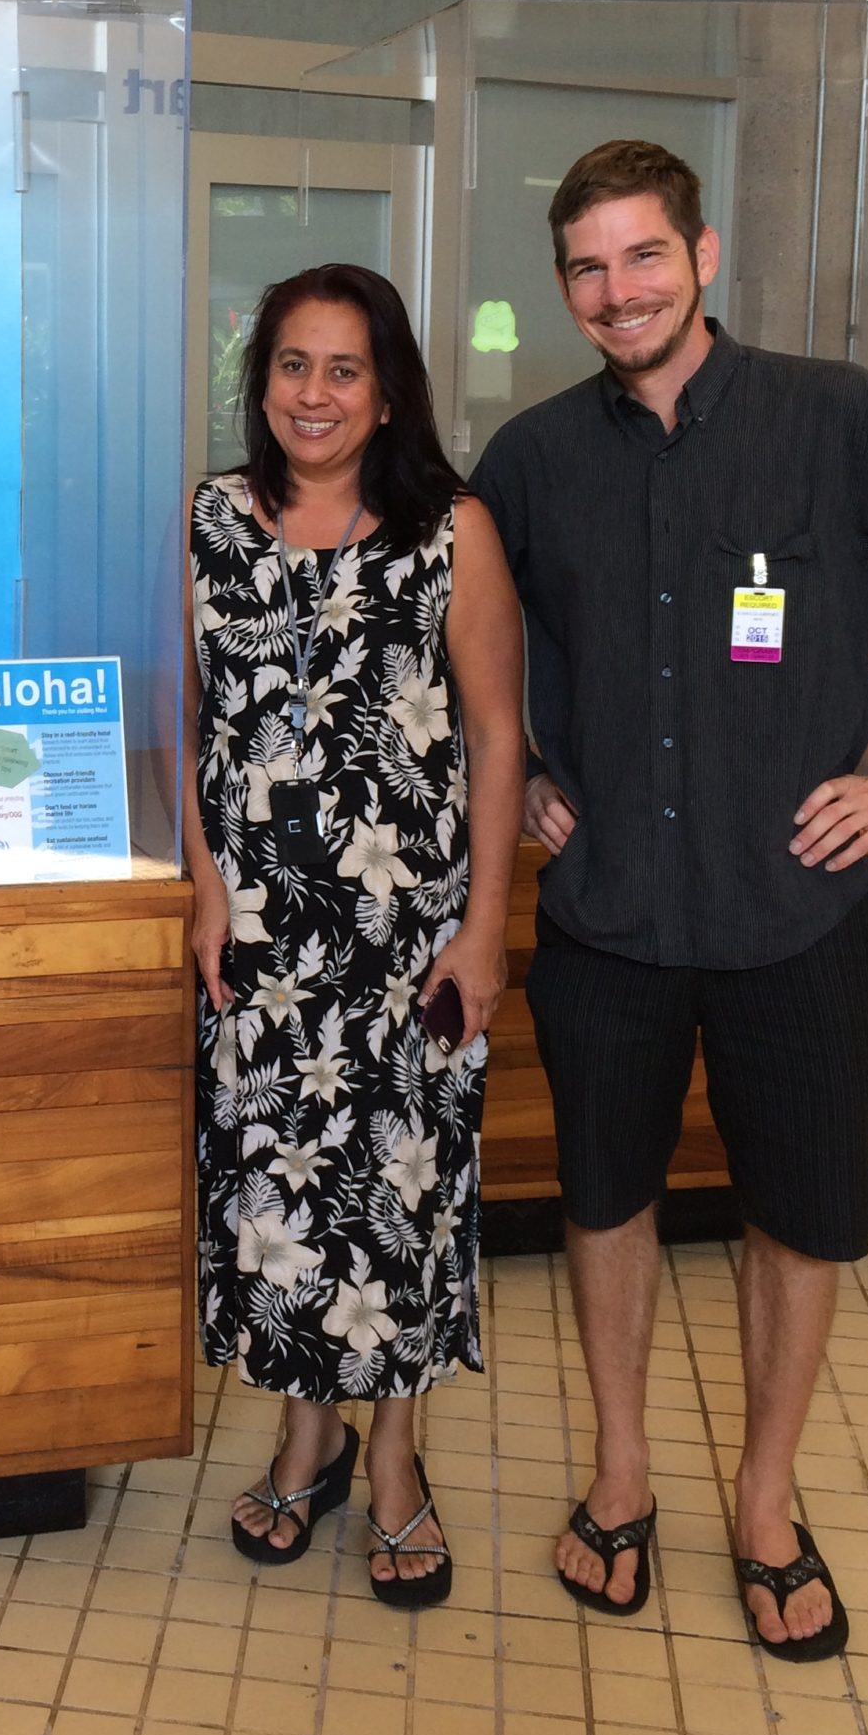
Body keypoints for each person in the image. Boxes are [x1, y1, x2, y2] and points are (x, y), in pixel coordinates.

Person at [471, 139, 868, 1662]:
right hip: (610, 916)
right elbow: (464, 658)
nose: (617, 291)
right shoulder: (533, 461)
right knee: (603, 1200)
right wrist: (527, 771)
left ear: (704, 254)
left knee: (798, 1220)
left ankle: (764, 1500)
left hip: (795, 915)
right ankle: (621, 1475)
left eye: (643, 255)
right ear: (564, 287)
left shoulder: (843, 421)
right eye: (587, 266)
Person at [187, 264, 524, 1603]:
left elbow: (495, 736)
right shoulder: (211, 520)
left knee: (400, 1200)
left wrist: (486, 930)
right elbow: (194, 721)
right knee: (279, 1195)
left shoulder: (452, 529)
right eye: (292, 366)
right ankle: (304, 1432)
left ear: (388, 394)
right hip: (262, 941)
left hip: (407, 939)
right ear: (260, 381)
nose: (315, 394)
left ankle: (393, 1458)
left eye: (345, 370)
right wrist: (205, 890)